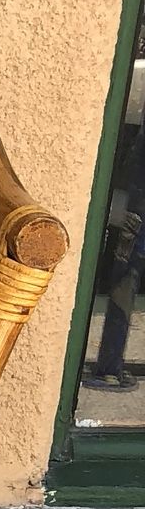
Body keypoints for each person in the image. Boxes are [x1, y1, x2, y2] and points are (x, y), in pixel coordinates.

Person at [86, 120, 145, 391]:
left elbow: (132, 172)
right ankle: (109, 368)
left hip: (135, 215)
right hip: (134, 212)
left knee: (124, 284)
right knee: (124, 284)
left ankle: (108, 369)